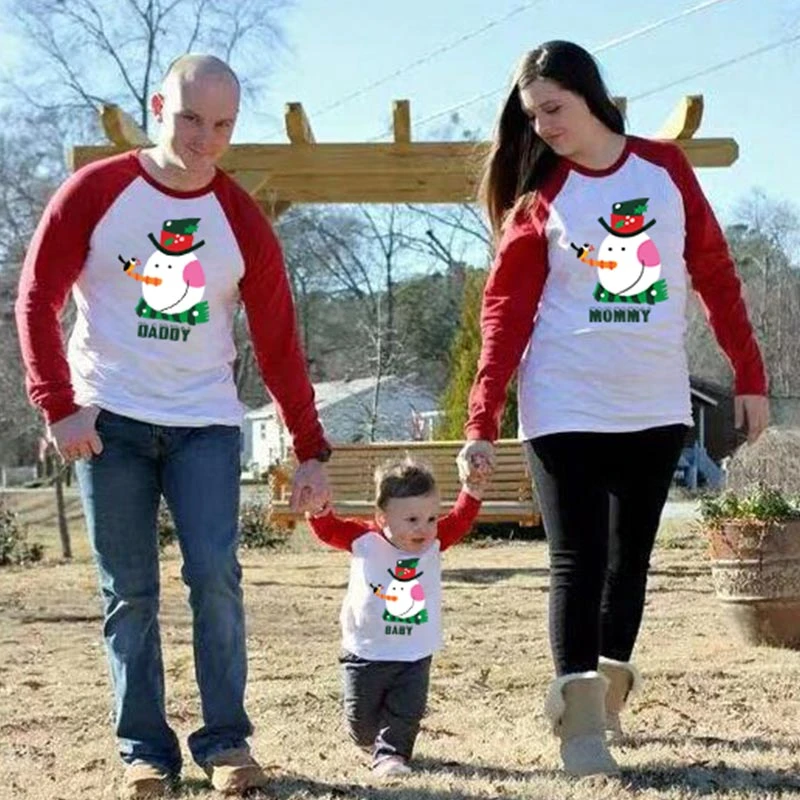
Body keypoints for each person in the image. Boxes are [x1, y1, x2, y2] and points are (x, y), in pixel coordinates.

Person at [15, 54, 332, 799]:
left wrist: (311, 448)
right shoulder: (96, 191)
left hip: (205, 427)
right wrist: (57, 404)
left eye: (222, 125)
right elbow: (35, 299)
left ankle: (226, 743)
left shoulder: (241, 219)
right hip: (108, 424)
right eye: (191, 118)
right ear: (160, 106)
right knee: (129, 592)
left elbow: (280, 342)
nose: (204, 139)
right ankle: (144, 752)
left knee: (216, 578)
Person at [456, 40, 769, 777]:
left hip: (654, 402)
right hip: (563, 402)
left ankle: (607, 695)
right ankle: (582, 729)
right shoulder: (541, 198)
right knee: (578, 559)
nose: (544, 129)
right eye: (533, 118)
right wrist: (481, 419)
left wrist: (749, 375)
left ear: (589, 95)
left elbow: (716, 273)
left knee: (631, 560)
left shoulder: (665, 171)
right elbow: (503, 315)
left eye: (554, 110)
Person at [306, 457, 485, 779]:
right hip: (365, 651)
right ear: (382, 517)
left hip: (414, 653)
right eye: (412, 519)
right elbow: (328, 529)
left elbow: (460, 519)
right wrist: (319, 510)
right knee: (361, 727)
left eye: (431, 518)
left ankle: (392, 754)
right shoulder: (364, 539)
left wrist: (471, 491)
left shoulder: (436, 539)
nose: (424, 528)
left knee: (406, 713)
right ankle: (372, 742)